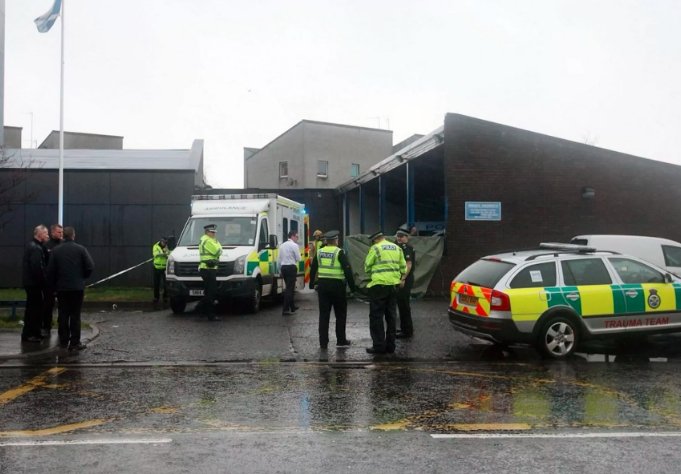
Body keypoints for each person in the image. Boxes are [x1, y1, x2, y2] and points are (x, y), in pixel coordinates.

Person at [46, 226, 95, 351]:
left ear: (63, 236)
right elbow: (90, 266)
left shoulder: (56, 251)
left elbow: (50, 271)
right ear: (73, 235)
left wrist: (54, 286)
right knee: (75, 315)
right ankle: (74, 342)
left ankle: (63, 341)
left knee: (63, 314)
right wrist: (82, 278)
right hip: (77, 288)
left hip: (62, 288)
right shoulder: (80, 249)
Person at [309, 230, 357, 349]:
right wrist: (353, 287)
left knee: (324, 315)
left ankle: (323, 343)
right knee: (340, 314)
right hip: (337, 287)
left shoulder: (319, 252)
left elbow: (313, 267)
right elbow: (347, 270)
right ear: (336, 240)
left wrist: (311, 283)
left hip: (323, 286)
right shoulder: (339, 252)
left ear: (326, 241)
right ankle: (341, 341)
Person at [364, 230, 406, 354]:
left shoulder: (375, 248)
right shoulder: (397, 248)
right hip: (393, 285)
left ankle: (378, 346)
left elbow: (367, 267)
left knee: (376, 317)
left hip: (378, 286)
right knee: (391, 316)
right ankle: (391, 346)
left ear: (375, 239)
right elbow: (403, 267)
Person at [21, 225, 50, 343]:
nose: (47, 236)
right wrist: (44, 282)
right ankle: (30, 334)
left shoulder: (34, 246)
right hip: (34, 285)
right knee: (34, 310)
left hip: (31, 283)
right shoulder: (36, 248)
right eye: (46, 233)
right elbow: (37, 268)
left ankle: (34, 333)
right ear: (39, 234)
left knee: (33, 309)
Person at [41, 224, 63, 338]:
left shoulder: (64, 244)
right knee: (48, 305)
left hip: (61, 280)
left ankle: (62, 326)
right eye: (59, 232)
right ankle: (46, 327)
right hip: (49, 281)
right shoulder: (46, 245)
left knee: (63, 305)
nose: (61, 234)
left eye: (62, 232)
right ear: (52, 232)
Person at [197, 224, 222, 320]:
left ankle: (202, 311)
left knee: (208, 292)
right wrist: (218, 245)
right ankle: (209, 314)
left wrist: (217, 244)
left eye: (214, 232)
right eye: (212, 232)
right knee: (211, 292)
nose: (214, 234)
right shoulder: (207, 240)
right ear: (207, 232)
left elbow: (218, 249)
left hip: (209, 269)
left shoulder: (209, 240)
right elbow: (218, 251)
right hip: (208, 269)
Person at [395, 227, 416, 338]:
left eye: (401, 236)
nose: (399, 238)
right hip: (402, 279)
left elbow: (408, 264)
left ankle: (407, 331)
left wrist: (402, 278)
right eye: (397, 236)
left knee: (404, 305)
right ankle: (404, 328)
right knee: (401, 304)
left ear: (406, 237)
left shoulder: (406, 248)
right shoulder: (399, 247)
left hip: (405, 280)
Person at [278, 230, 301, 315]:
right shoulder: (294, 245)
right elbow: (299, 258)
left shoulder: (282, 245)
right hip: (291, 267)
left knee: (289, 287)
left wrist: (279, 270)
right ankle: (285, 309)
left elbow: (279, 259)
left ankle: (292, 307)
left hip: (283, 268)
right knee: (289, 289)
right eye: (297, 237)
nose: (297, 238)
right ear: (292, 236)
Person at [152, 237, 170, 304]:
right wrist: (163, 254)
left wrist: (166, 253)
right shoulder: (155, 246)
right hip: (157, 267)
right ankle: (156, 297)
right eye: (164, 242)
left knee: (166, 284)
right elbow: (155, 254)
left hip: (165, 268)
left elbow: (169, 254)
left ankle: (165, 297)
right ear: (161, 241)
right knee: (156, 283)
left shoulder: (166, 247)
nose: (165, 244)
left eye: (166, 243)